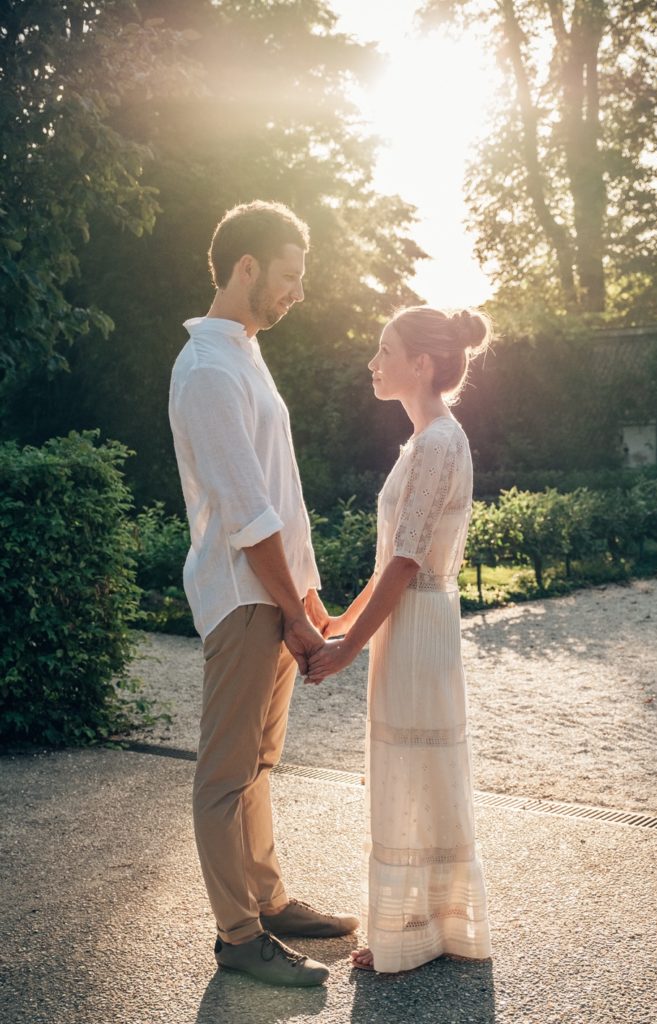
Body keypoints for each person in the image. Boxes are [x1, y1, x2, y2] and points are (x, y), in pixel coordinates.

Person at [168, 200, 358, 988]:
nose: (297, 293)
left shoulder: (244, 351)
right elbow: (248, 516)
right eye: (287, 276)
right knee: (223, 774)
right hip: (245, 598)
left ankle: (271, 902)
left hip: (276, 594)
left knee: (257, 764)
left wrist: (309, 604)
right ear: (244, 268)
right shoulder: (207, 369)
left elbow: (281, 496)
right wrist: (289, 612)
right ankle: (237, 936)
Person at [308, 305, 493, 974]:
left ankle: (415, 931)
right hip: (414, 618)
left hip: (417, 624)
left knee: (414, 768)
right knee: (414, 769)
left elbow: (407, 561)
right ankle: (422, 925)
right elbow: (393, 556)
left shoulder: (439, 441)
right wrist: (338, 621)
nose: (372, 363)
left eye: (384, 350)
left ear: (422, 364)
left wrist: (346, 646)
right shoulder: (426, 441)